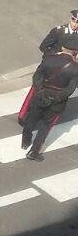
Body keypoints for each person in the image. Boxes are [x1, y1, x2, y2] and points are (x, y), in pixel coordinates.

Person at [21, 33, 78, 162]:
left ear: (63, 47)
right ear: (75, 51)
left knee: (31, 118)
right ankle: (34, 151)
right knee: (45, 126)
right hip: (57, 101)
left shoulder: (48, 59)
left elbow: (36, 77)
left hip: (41, 94)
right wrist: (56, 97)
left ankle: (25, 140)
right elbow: (70, 89)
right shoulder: (75, 68)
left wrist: (41, 90)